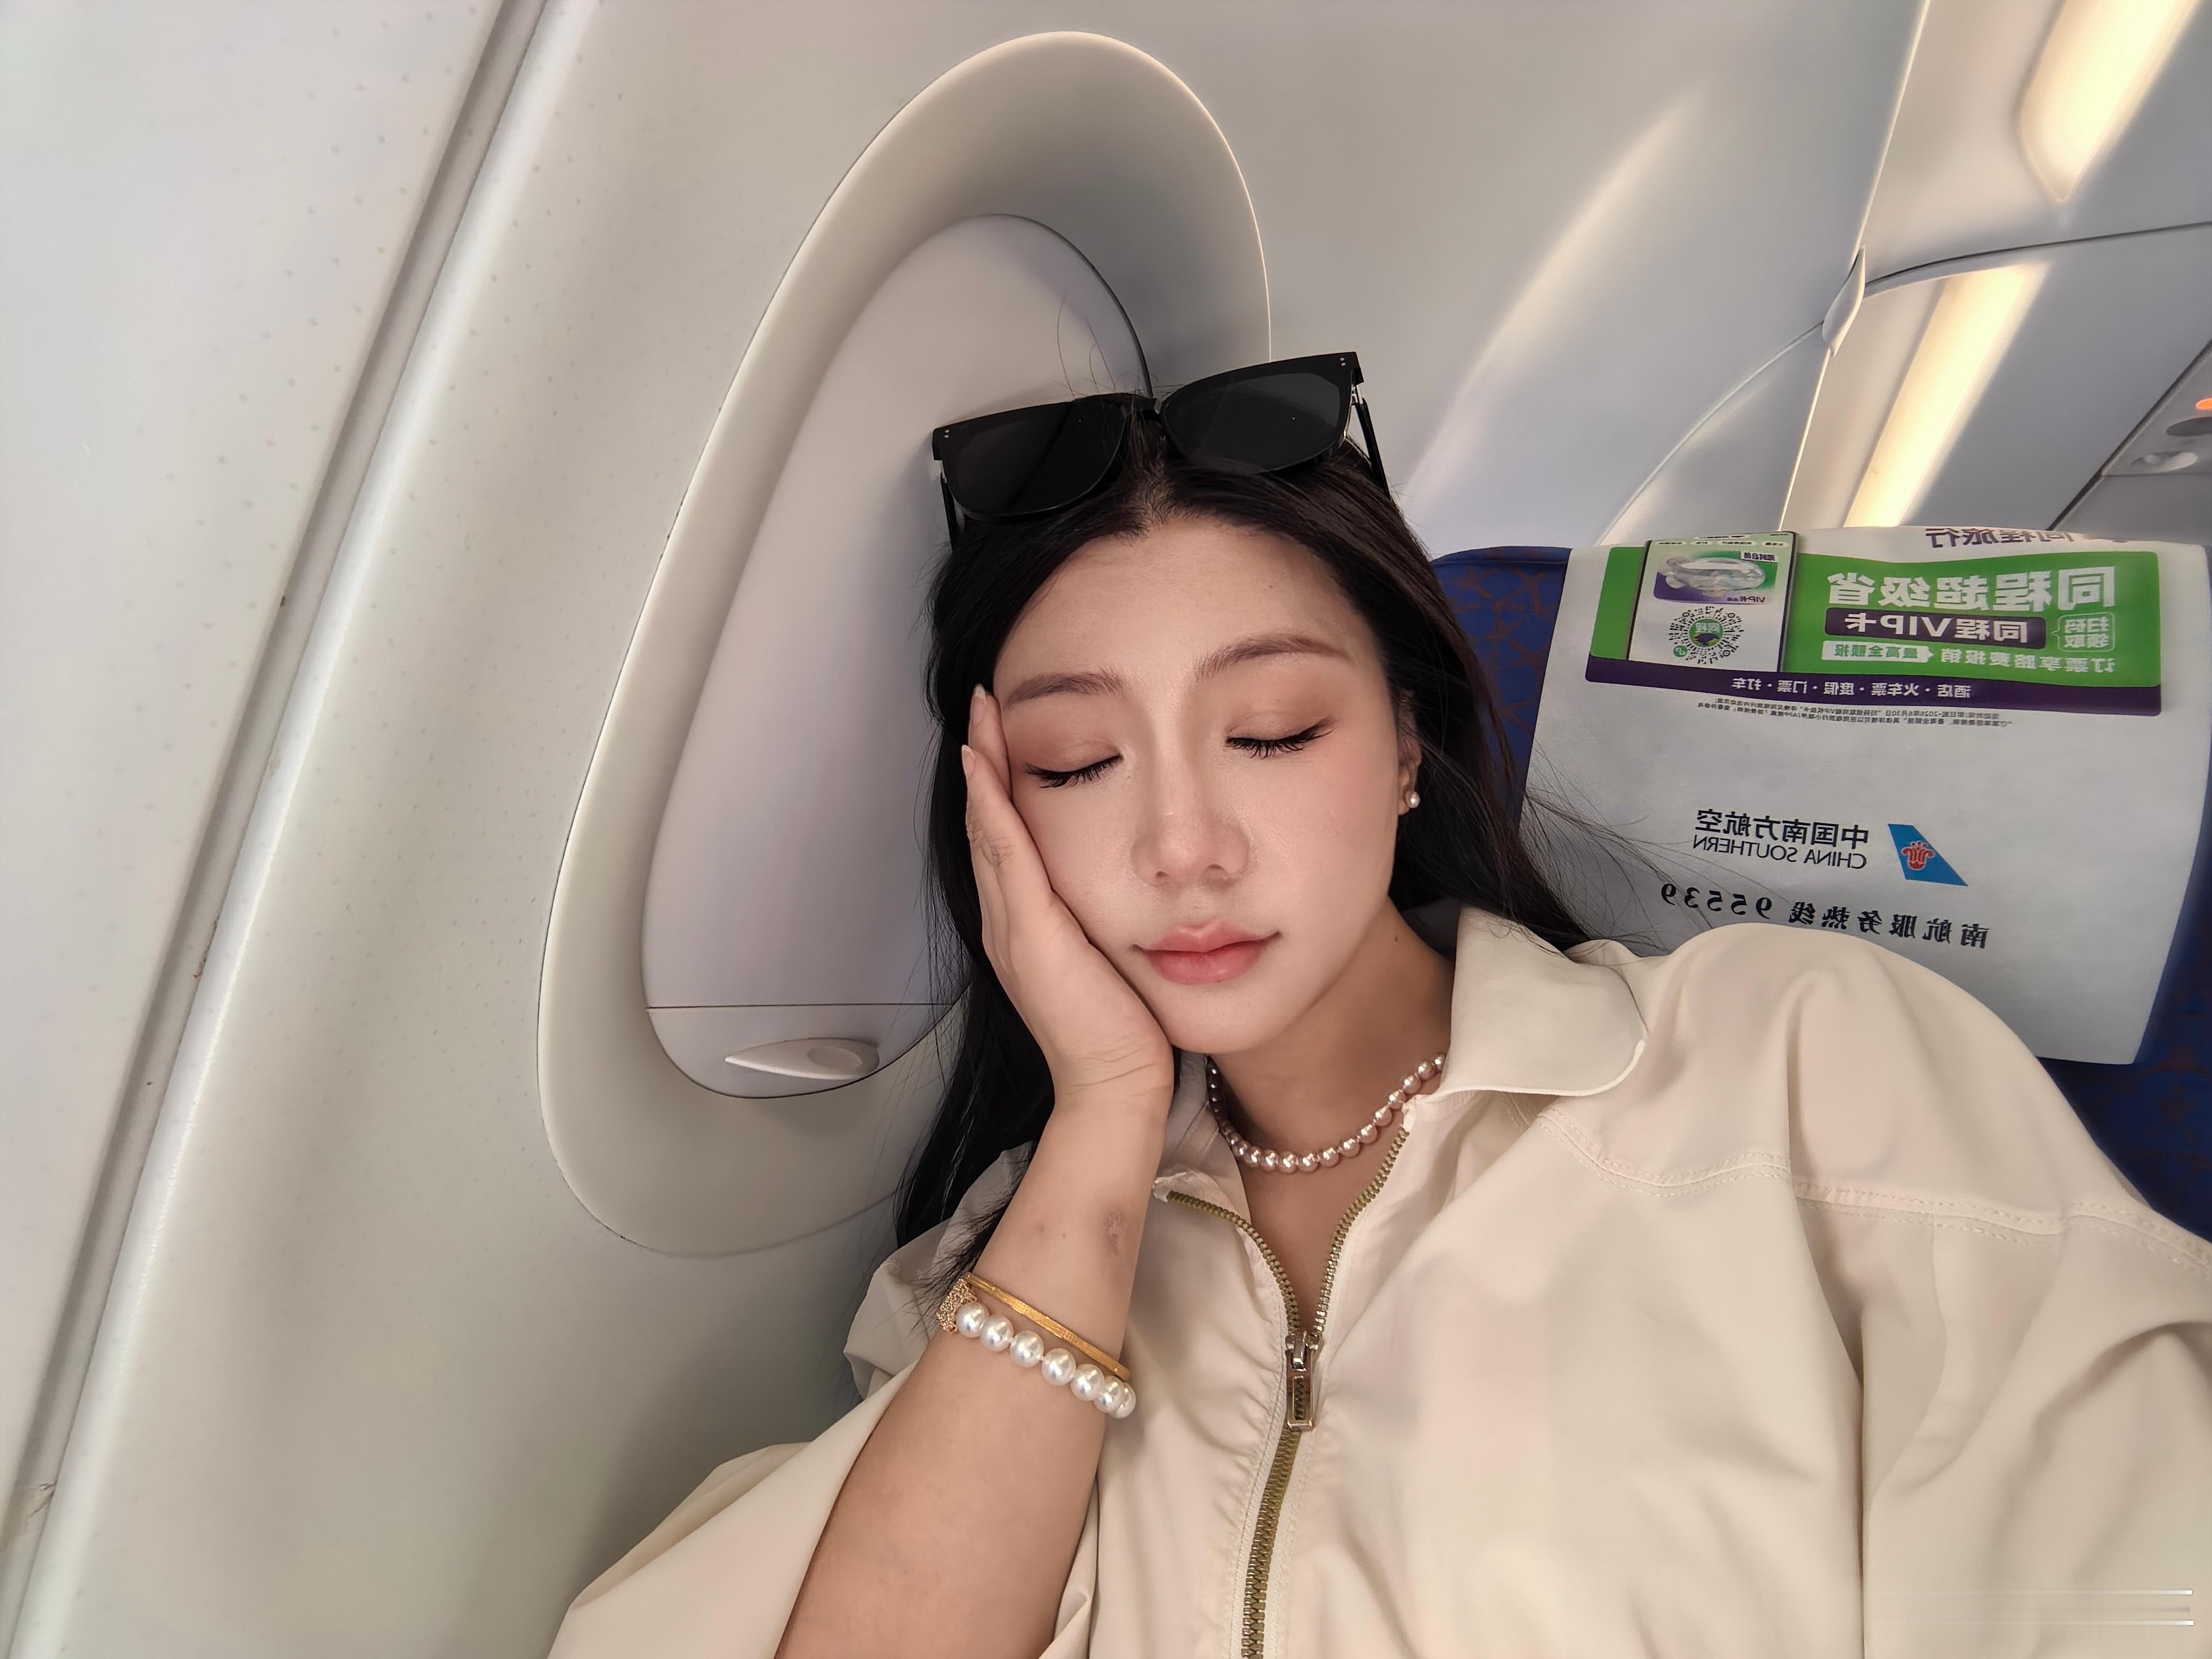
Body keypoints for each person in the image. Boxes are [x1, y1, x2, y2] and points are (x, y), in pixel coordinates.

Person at [548, 359, 2212, 1659]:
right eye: (1074, 761)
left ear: (1408, 742)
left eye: (1273, 731)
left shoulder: (1795, 1060)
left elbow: (2121, 1572)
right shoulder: (1018, 1260)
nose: (1183, 845)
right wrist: (1107, 1125)